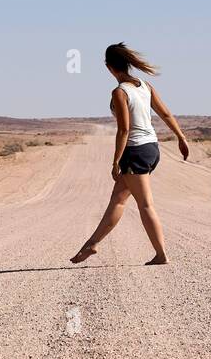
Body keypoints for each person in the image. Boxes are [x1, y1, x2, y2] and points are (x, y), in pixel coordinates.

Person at [70, 42, 189, 265]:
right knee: (118, 200)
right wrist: (181, 138)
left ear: (108, 67)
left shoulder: (120, 92)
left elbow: (124, 129)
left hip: (134, 151)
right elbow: (166, 114)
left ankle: (161, 254)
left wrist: (115, 161)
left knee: (145, 204)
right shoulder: (145, 86)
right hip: (151, 148)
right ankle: (92, 244)